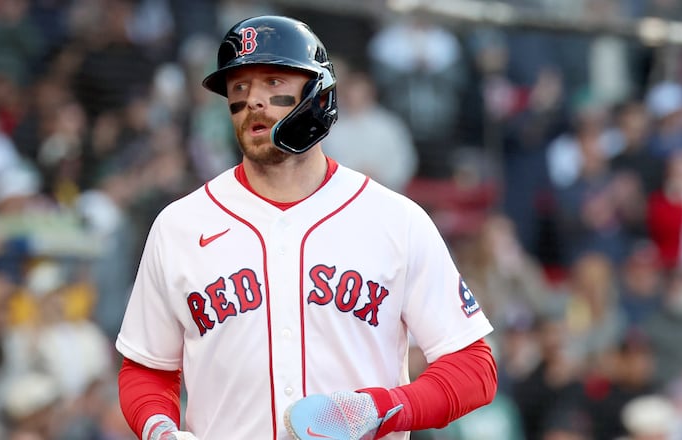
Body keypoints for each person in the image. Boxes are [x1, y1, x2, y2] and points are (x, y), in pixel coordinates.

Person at [114, 15, 497, 440]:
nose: (255, 101)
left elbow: (474, 367)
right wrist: (159, 430)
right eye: (240, 88)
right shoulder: (180, 225)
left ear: (317, 92)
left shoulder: (395, 219)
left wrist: (380, 408)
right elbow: (146, 367)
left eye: (273, 81)